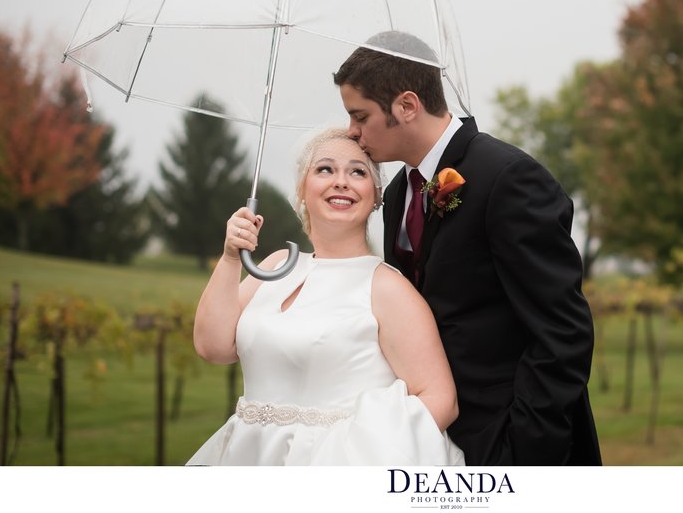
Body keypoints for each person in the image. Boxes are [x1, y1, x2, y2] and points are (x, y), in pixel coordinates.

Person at [333, 31, 602, 466]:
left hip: (510, 441)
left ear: (406, 106)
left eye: (360, 115)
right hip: (429, 437)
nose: (352, 131)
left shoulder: (509, 178)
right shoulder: (401, 190)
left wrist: (525, 446)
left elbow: (563, 333)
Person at [187, 128, 464, 465]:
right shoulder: (276, 266)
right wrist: (232, 257)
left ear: (376, 195)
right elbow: (213, 347)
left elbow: (440, 398)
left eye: (358, 172)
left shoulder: (386, 287)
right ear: (302, 189)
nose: (342, 181)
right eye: (325, 169)